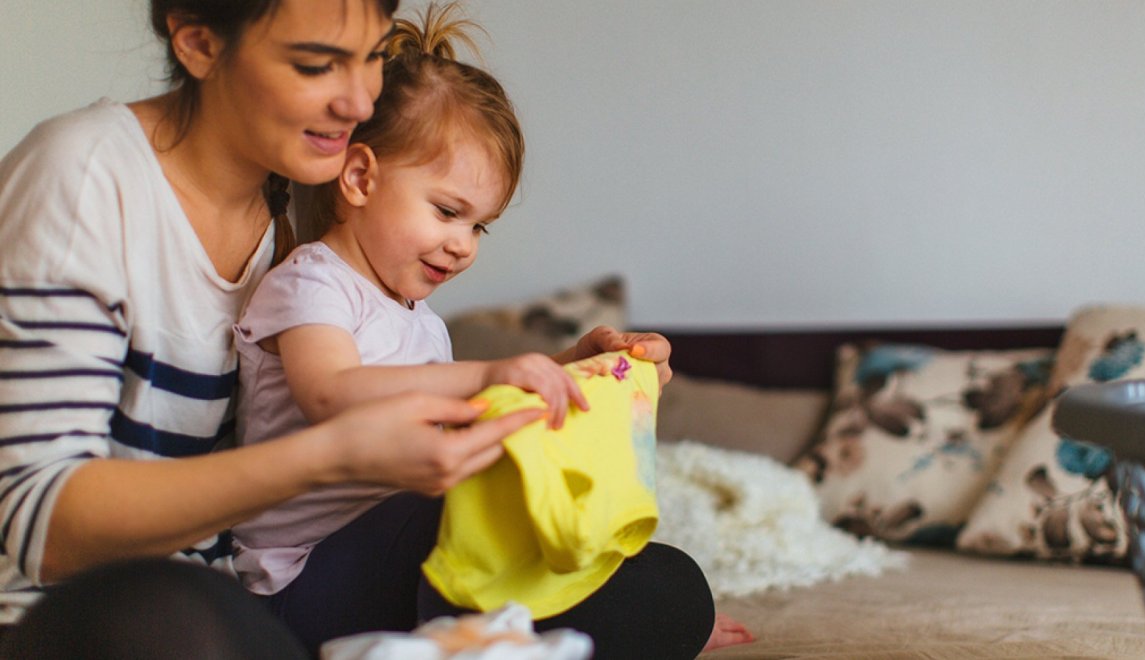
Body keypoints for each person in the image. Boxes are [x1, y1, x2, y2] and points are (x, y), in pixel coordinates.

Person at [0, 0, 738, 657]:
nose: (359, 98)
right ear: (199, 44)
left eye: (371, 57)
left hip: (237, 589)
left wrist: (571, 375)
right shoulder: (87, 175)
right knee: (163, 618)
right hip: (93, 603)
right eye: (318, 63)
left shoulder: (293, 205)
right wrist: (337, 453)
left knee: (657, 586)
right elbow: (38, 525)